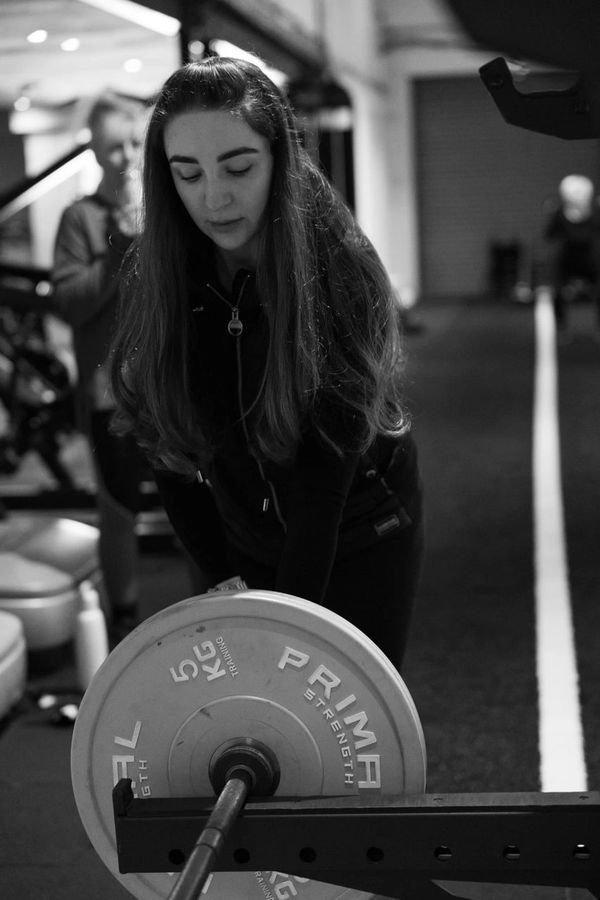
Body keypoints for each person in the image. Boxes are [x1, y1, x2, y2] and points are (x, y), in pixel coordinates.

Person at [108, 57, 424, 669]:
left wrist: (280, 637)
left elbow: (319, 492)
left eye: (238, 167)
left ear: (278, 160)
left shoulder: (336, 273)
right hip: (243, 528)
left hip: (360, 528)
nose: (214, 197)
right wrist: (220, 578)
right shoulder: (168, 276)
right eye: (187, 174)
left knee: (347, 730)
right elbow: (168, 445)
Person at [52, 92, 149, 643]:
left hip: (166, 388)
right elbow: (70, 303)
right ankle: (127, 619)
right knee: (117, 510)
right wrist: (115, 255)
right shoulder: (79, 219)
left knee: (199, 503)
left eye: (134, 142)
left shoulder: (162, 211)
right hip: (110, 391)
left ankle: (214, 614)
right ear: (93, 149)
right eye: (114, 146)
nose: (127, 156)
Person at [544, 174, 600, 337]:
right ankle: (561, 327)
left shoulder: (595, 213)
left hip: (589, 260)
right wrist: (550, 214)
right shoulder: (559, 214)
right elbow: (549, 235)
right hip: (567, 260)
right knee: (556, 290)